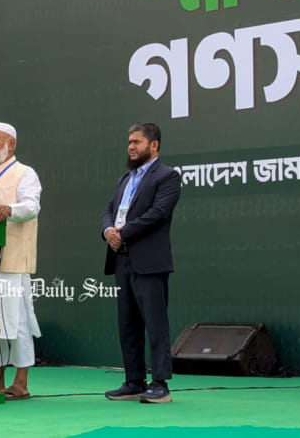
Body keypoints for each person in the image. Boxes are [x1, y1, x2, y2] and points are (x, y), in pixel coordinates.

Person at [102, 122, 181, 404]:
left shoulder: (168, 176)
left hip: (150, 261)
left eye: (136, 142)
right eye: (129, 142)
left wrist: (122, 233)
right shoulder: (125, 179)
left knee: (155, 324)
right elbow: (110, 210)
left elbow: (158, 213)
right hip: (121, 260)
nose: (131, 147)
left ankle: (160, 384)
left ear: (154, 145)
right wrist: (108, 231)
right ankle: (134, 381)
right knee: (128, 325)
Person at [0, 122, 42, 401]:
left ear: (11, 144)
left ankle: (21, 382)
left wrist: (9, 209)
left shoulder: (25, 173)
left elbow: (32, 206)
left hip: (12, 261)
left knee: (17, 321)